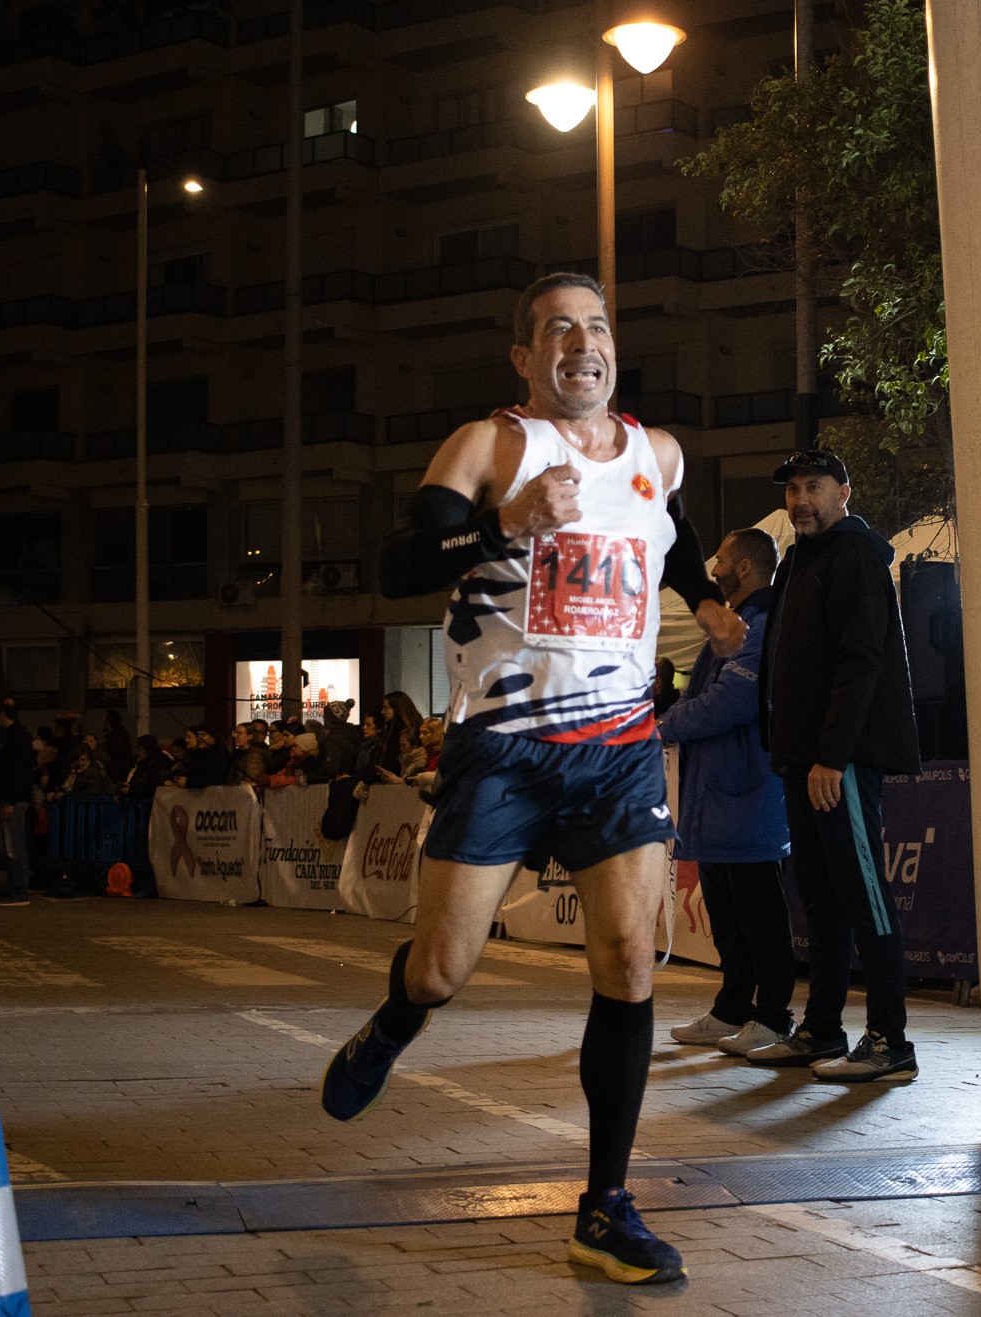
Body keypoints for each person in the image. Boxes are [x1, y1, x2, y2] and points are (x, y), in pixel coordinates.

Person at [318, 271, 745, 1287]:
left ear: (613, 349)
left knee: (629, 961)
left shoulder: (658, 453)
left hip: (619, 744)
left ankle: (604, 1207)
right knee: (440, 970)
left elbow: (671, 533)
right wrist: (502, 523)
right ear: (525, 357)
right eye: (558, 330)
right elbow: (396, 566)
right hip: (503, 745)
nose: (581, 344)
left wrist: (702, 600)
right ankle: (394, 1023)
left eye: (595, 327)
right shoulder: (490, 446)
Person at [752, 449, 921, 1084]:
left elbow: (861, 662)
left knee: (863, 893)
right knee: (820, 897)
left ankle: (890, 1042)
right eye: (793, 489)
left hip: (838, 761)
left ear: (843, 493)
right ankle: (822, 1029)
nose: (801, 500)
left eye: (814, 487)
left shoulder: (854, 555)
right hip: (802, 760)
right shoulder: (799, 560)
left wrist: (833, 755)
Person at [660, 527, 795, 1056]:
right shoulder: (733, 625)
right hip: (716, 798)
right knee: (727, 915)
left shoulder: (759, 626)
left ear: (743, 568)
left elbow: (729, 702)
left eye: (719, 559)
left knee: (760, 915)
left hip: (747, 796)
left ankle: (774, 1016)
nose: (711, 570)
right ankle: (731, 1008)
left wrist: (666, 724)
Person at [0, 700, 36, 906]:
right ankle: (15, 888)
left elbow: (16, 772)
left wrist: (7, 800)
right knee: (10, 846)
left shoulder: (14, 738)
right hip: (11, 799)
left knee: (14, 846)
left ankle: (19, 890)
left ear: (3, 715)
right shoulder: (16, 736)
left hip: (13, 801)